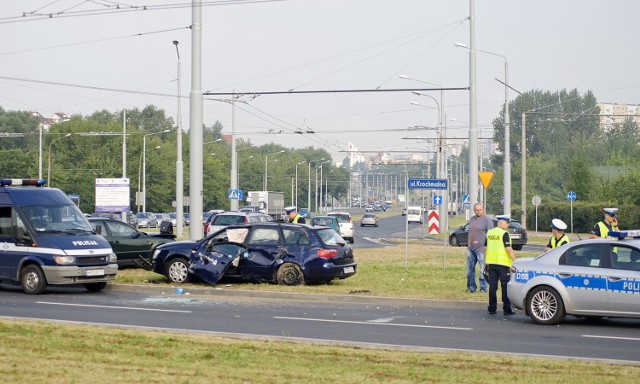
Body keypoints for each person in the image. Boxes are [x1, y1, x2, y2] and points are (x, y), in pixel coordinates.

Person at [485, 215, 517, 315]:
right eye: (507, 223)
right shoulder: (504, 233)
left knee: (493, 287)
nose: (508, 225)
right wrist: (515, 261)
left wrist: (486, 262)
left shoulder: (490, 233)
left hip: (491, 264)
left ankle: (492, 308)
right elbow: (508, 248)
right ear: (501, 222)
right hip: (503, 264)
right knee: (505, 287)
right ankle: (507, 309)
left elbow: (485, 248)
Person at [465, 203, 494, 293]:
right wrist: (469, 244)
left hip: (481, 249)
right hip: (471, 249)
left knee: (482, 271)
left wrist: (487, 247)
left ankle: (483, 289)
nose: (478, 211)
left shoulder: (487, 220)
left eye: (480, 210)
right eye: (477, 210)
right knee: (469, 270)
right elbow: (470, 232)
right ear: (474, 210)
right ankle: (471, 288)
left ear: (483, 210)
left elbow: (491, 235)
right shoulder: (472, 219)